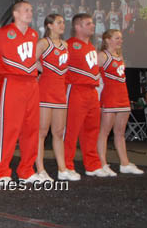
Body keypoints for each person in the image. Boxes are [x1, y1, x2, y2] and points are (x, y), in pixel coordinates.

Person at [0, 1, 41, 184]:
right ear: (15, 13)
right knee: (10, 129)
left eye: (31, 10)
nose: (30, 13)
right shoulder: (4, 33)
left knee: (31, 128)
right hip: (13, 82)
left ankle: (26, 170)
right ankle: (3, 171)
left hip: (31, 84)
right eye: (26, 10)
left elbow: (32, 60)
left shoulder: (33, 34)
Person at [64, 13, 107, 179]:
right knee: (71, 130)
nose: (92, 26)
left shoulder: (90, 47)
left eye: (92, 23)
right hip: (75, 90)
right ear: (78, 26)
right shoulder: (69, 45)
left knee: (92, 129)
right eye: (88, 24)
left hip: (91, 92)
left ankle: (92, 165)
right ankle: (67, 165)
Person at [97, 29, 144, 175]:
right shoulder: (102, 56)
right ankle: (102, 163)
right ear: (107, 40)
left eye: (121, 38)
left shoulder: (119, 56)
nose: (120, 41)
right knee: (104, 132)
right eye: (117, 38)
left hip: (123, 96)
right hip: (109, 97)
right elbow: (93, 76)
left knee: (120, 133)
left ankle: (124, 163)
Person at [35, 14, 75, 181]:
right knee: (42, 132)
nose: (62, 25)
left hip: (60, 91)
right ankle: (40, 169)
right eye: (59, 22)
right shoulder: (43, 43)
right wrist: (44, 69)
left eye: (63, 22)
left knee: (58, 132)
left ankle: (62, 168)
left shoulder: (65, 44)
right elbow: (31, 60)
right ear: (49, 25)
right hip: (45, 91)